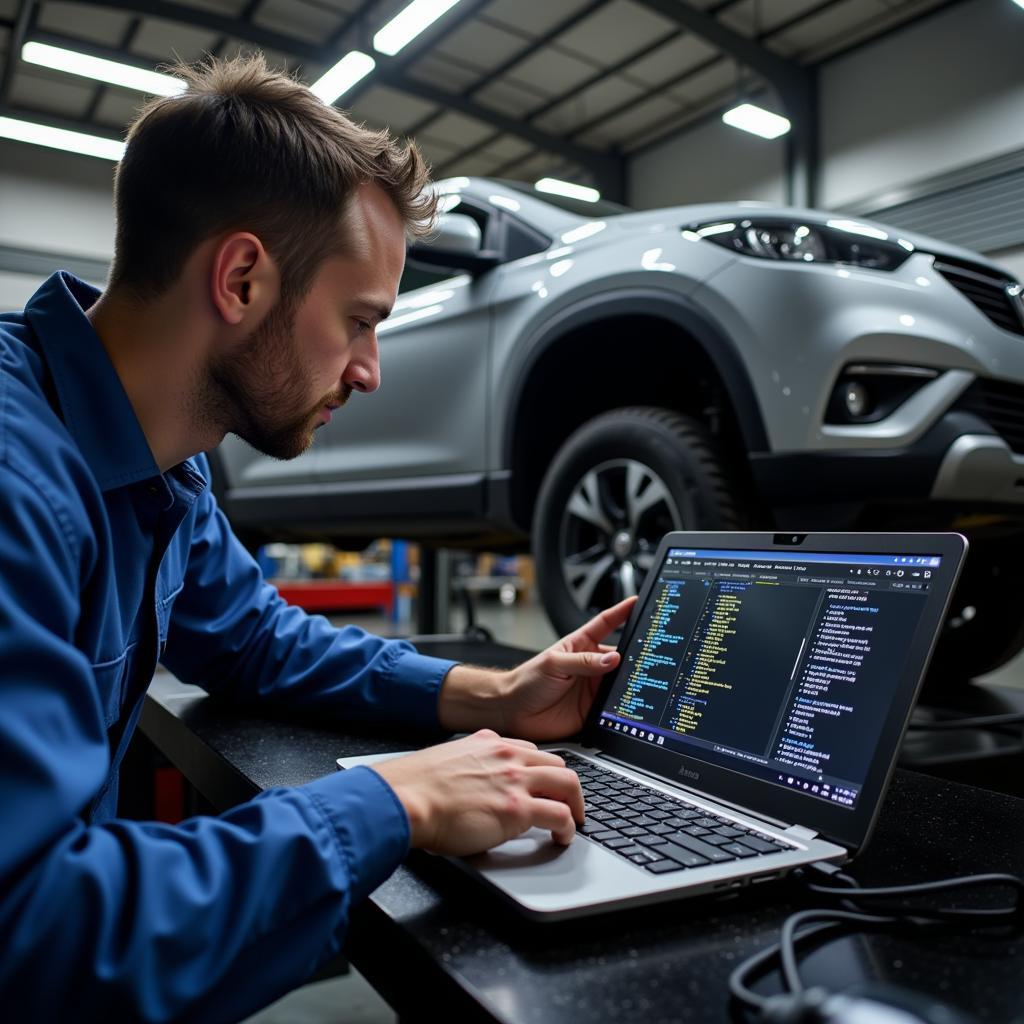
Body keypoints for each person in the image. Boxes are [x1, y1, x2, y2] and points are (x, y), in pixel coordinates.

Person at [0, 55, 635, 1022]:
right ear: (243, 278)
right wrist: (395, 802)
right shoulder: (18, 483)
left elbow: (253, 635)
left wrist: (487, 694)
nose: (371, 371)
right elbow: (37, 936)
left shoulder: (166, 467)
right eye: (360, 322)